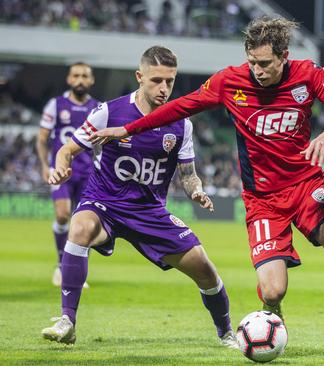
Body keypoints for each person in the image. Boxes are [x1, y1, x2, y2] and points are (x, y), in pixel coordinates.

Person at [89, 17, 324, 366]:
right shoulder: (230, 81)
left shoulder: (308, 75)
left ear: (284, 56)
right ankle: (272, 313)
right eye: (252, 62)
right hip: (262, 201)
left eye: (265, 63)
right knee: (273, 289)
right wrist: (128, 128)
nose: (257, 70)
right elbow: (179, 106)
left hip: (307, 186)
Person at [41, 46, 237, 349]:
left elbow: (188, 174)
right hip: (104, 203)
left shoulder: (181, 123)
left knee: (205, 269)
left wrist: (196, 190)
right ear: (139, 77)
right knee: (78, 228)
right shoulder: (109, 111)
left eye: (170, 81)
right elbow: (68, 148)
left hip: (150, 212)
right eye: (156, 80)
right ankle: (67, 321)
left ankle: (226, 334)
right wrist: (59, 168)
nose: (164, 88)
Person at [36, 62, 99, 287]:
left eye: (85, 76)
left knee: (86, 224)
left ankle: (77, 272)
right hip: (61, 170)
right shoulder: (56, 105)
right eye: (76, 75)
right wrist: (45, 166)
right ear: (69, 79)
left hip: (89, 174)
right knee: (63, 216)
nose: (80, 80)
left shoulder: (98, 109)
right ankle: (62, 264)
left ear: (91, 81)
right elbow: (42, 139)